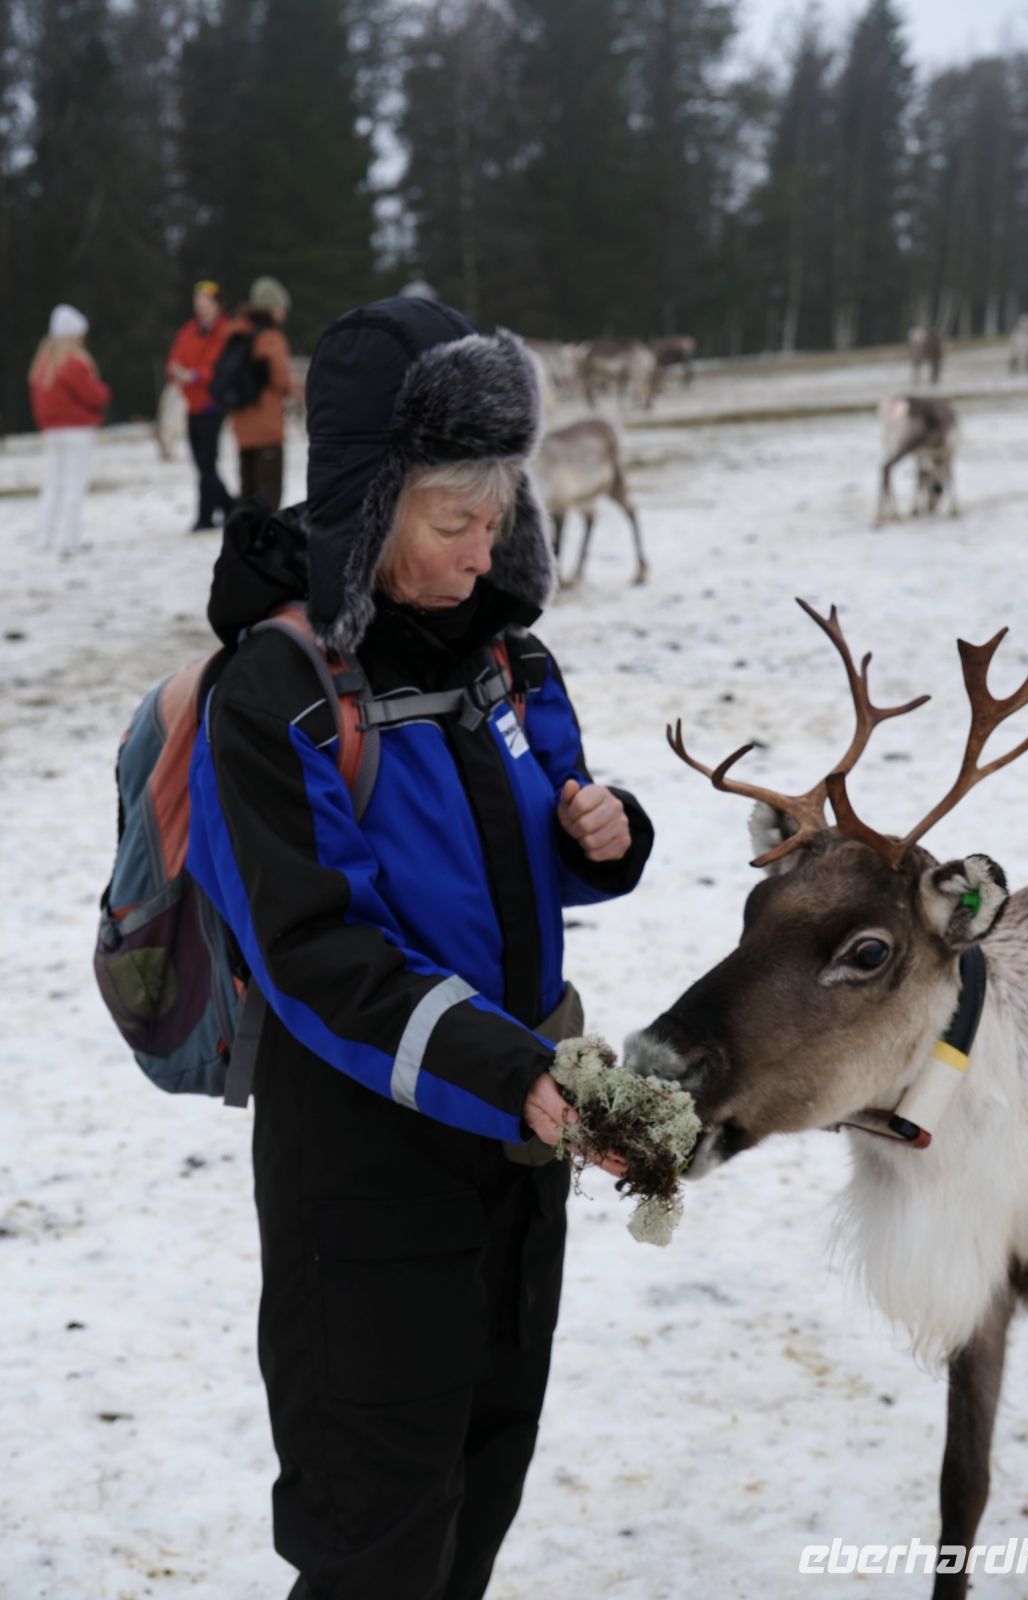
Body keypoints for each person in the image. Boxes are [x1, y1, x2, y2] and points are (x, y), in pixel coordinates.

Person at [186, 296, 654, 1600]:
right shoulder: (273, 694)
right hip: (368, 1179)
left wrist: (604, 835)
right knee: (375, 1537)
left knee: (480, 1491)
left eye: (498, 515)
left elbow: (536, 837)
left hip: (516, 1155)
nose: (481, 546)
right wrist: (507, 1069)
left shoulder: (504, 657)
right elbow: (320, 951)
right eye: (452, 521)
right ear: (370, 505)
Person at [28, 303, 111, 558]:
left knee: (52, 485)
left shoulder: (42, 365)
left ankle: (42, 539)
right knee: (74, 486)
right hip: (78, 431)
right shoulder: (75, 363)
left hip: (51, 432)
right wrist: (103, 393)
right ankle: (69, 541)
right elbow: (94, 395)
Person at [165, 278, 234, 531]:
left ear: (218, 305)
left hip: (212, 404)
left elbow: (218, 366)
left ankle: (206, 515)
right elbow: (174, 359)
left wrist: (194, 375)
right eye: (198, 302)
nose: (201, 307)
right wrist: (175, 370)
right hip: (192, 405)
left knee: (206, 461)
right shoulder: (188, 331)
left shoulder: (225, 330)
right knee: (202, 463)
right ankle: (228, 506)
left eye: (206, 302)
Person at [228, 274, 295, 510]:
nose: (283, 313)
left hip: (241, 426)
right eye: (281, 307)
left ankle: (244, 543)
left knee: (248, 494)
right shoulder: (271, 338)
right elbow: (282, 381)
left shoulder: (236, 332)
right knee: (269, 495)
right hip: (267, 427)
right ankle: (264, 544)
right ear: (272, 307)